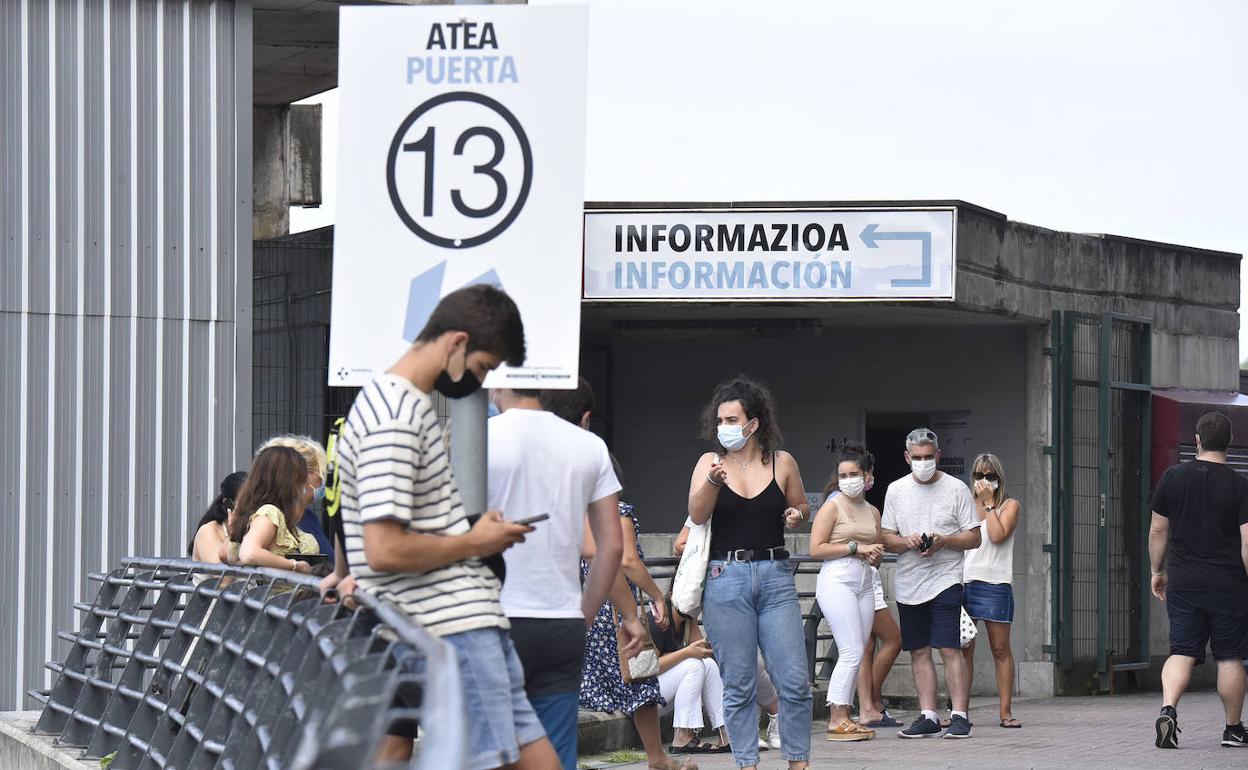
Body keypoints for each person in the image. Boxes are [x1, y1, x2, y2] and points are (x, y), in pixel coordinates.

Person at [335, 285, 564, 769]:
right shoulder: (396, 416)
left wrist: (470, 530)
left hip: (467, 622)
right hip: (454, 627)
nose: (478, 381)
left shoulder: (400, 405)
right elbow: (383, 549)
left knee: (536, 761)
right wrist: (475, 540)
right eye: (482, 367)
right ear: (457, 342)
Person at [488, 380, 636, 770]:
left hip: (492, 618)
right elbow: (611, 548)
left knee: (492, 749)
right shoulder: (589, 446)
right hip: (561, 622)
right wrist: (583, 615)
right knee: (554, 753)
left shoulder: (480, 439)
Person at [686, 376, 812, 770]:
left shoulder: (782, 461)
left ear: (753, 424)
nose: (724, 426)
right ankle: (747, 763)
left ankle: (798, 762)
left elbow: (802, 506)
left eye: (732, 419)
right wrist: (711, 481)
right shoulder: (710, 463)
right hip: (726, 577)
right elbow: (696, 514)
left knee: (793, 681)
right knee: (738, 684)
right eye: (720, 419)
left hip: (775, 575)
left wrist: (796, 514)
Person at [579, 466, 695, 770]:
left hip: (591, 609)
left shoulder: (578, 515)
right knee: (640, 682)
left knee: (596, 689)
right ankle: (656, 756)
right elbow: (628, 560)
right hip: (619, 611)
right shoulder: (618, 511)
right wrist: (657, 595)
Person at [1149, 410, 1248, 750]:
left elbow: (1158, 530)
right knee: (1230, 656)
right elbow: (1247, 542)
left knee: (1182, 651)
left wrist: (1157, 571)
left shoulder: (1172, 478)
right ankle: (1233, 729)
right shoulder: (1240, 485)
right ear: (1229, 442)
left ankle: (1168, 709)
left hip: (1184, 582)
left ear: (1197, 440)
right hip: (1228, 584)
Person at [880, 427, 981, 739]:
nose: (923, 462)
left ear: (938, 456)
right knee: (918, 649)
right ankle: (928, 715)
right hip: (910, 582)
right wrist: (905, 541)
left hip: (946, 579)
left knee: (950, 648)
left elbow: (974, 537)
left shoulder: (956, 489)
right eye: (917, 457)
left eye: (928, 457)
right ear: (907, 457)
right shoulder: (896, 490)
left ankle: (960, 715)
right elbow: (885, 538)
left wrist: (944, 540)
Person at [673, 523, 781, 750]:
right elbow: (680, 544)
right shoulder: (708, 503)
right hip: (719, 583)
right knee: (741, 660)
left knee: (753, 660)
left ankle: (770, 718)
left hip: (756, 585)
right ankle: (758, 723)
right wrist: (720, 552)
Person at [811, 441, 884, 741]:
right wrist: (855, 547)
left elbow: (876, 548)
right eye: (842, 475)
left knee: (861, 646)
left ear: (867, 476)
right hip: (837, 578)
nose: (848, 480)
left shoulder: (872, 510)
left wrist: (873, 553)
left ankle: (847, 714)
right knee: (851, 650)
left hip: (865, 579)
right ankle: (837, 717)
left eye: (854, 474)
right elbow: (816, 548)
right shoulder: (832, 506)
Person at [961, 453, 1023, 729]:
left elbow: (998, 536)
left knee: (1000, 649)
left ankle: (1005, 711)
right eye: (978, 476)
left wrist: (988, 505)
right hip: (964, 582)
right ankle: (959, 711)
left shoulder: (1009, 505)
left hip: (996, 584)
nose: (984, 481)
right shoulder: (963, 504)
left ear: (999, 478)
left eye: (990, 476)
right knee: (963, 649)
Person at [650, 593, 729, 755]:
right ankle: (682, 736)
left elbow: (702, 652)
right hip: (641, 697)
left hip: (663, 693)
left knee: (707, 664)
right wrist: (685, 653)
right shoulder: (658, 618)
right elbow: (650, 667)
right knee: (693, 664)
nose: (695, 600)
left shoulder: (687, 620)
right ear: (673, 595)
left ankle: (727, 732)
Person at [228, 446, 319, 571]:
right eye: (301, 477)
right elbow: (249, 553)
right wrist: (294, 565)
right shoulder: (269, 512)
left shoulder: (260, 513)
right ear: (289, 479)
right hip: (283, 590)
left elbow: (230, 556)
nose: (305, 483)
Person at [256, 434, 333, 555]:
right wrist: (295, 566)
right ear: (303, 475)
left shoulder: (309, 517)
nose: (322, 478)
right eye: (318, 471)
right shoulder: (269, 517)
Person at [188, 471, 247, 562]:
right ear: (228, 505)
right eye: (245, 505)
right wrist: (234, 534)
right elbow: (222, 575)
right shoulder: (208, 531)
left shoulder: (254, 531)